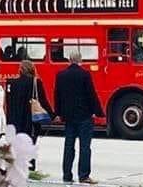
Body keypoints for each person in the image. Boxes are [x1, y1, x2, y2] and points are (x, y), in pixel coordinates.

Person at [54, 50, 102, 184]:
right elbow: (91, 94)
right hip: (84, 116)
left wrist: (58, 113)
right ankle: (84, 175)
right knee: (85, 147)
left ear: (69, 60)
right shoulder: (85, 74)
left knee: (69, 146)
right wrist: (98, 111)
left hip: (68, 117)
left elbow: (57, 95)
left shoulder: (61, 75)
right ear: (80, 60)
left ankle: (67, 175)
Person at [7, 59, 54, 172]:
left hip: (15, 120)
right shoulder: (36, 82)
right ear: (32, 69)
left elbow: (9, 103)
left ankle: (17, 168)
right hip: (31, 120)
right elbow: (42, 101)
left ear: (21, 70)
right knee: (30, 145)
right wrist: (52, 115)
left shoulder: (11, 83)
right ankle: (30, 168)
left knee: (17, 146)